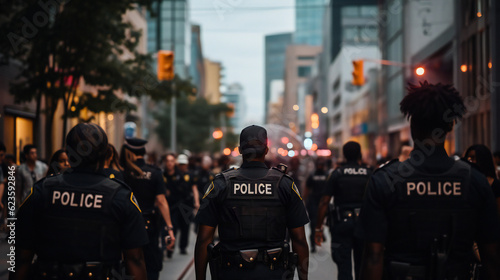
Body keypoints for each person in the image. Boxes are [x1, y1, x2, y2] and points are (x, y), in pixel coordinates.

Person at [358, 81, 500, 280]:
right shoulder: (475, 181)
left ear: (412, 126)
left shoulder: (385, 180)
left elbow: (373, 256)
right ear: (450, 125)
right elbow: (492, 256)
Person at [13, 123, 148, 280]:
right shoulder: (121, 196)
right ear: (106, 155)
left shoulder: (41, 191)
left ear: (69, 154)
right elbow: (135, 260)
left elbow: (22, 257)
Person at [194, 125, 309, 280]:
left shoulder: (221, 184)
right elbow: (299, 240)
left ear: (240, 150)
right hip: (273, 273)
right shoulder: (285, 184)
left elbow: (203, 239)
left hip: (230, 273)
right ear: (266, 150)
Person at [315, 141, 373, 280]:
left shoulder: (337, 174)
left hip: (341, 225)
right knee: (362, 266)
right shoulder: (369, 173)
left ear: (344, 155)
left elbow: (324, 202)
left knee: (343, 267)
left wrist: (318, 228)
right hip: (364, 225)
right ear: (360, 154)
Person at [121, 138, 176, 280]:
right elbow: (161, 200)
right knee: (151, 261)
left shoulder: (123, 173)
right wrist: (169, 228)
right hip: (148, 224)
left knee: (129, 260)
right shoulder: (155, 173)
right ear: (143, 152)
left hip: (126, 224)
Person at [164, 153, 199, 256]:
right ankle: (170, 247)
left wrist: (196, 202)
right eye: (181, 164)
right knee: (173, 226)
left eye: (184, 164)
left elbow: (194, 188)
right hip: (174, 205)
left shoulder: (190, 175)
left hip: (186, 205)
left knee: (185, 227)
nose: (182, 166)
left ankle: (183, 247)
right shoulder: (172, 174)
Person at [302, 158, 328, 253]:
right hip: (313, 202)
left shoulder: (327, 175)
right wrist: (304, 201)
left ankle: (320, 232)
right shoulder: (312, 175)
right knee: (313, 223)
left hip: (323, 202)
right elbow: (307, 189)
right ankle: (313, 244)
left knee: (321, 222)